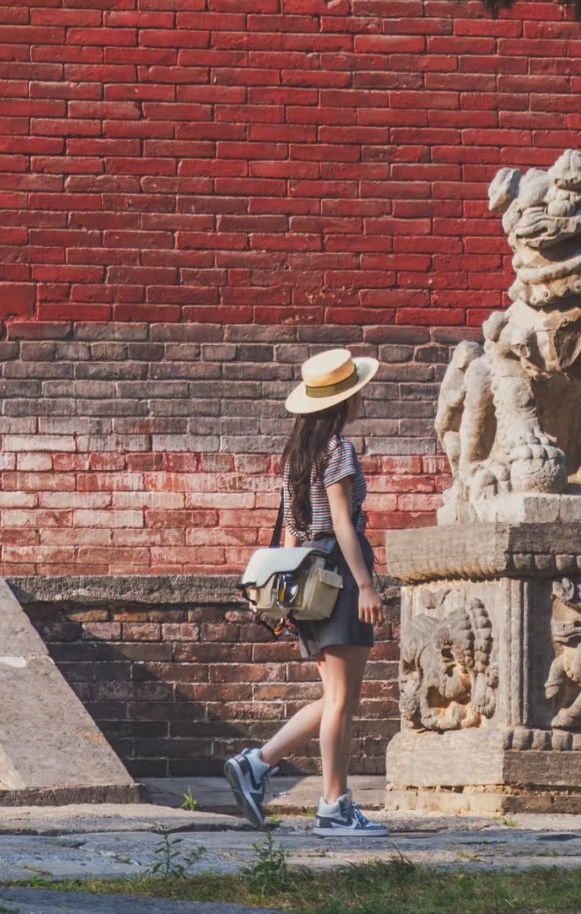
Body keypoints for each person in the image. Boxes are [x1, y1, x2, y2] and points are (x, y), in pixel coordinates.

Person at [224, 347, 388, 837]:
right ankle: (334, 806)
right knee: (342, 700)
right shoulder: (338, 450)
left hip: (308, 579)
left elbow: (293, 533)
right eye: (356, 393)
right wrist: (365, 585)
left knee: (338, 697)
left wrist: (290, 596)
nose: (361, 400)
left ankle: (257, 764)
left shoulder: (296, 456)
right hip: (337, 575)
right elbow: (341, 523)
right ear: (343, 402)